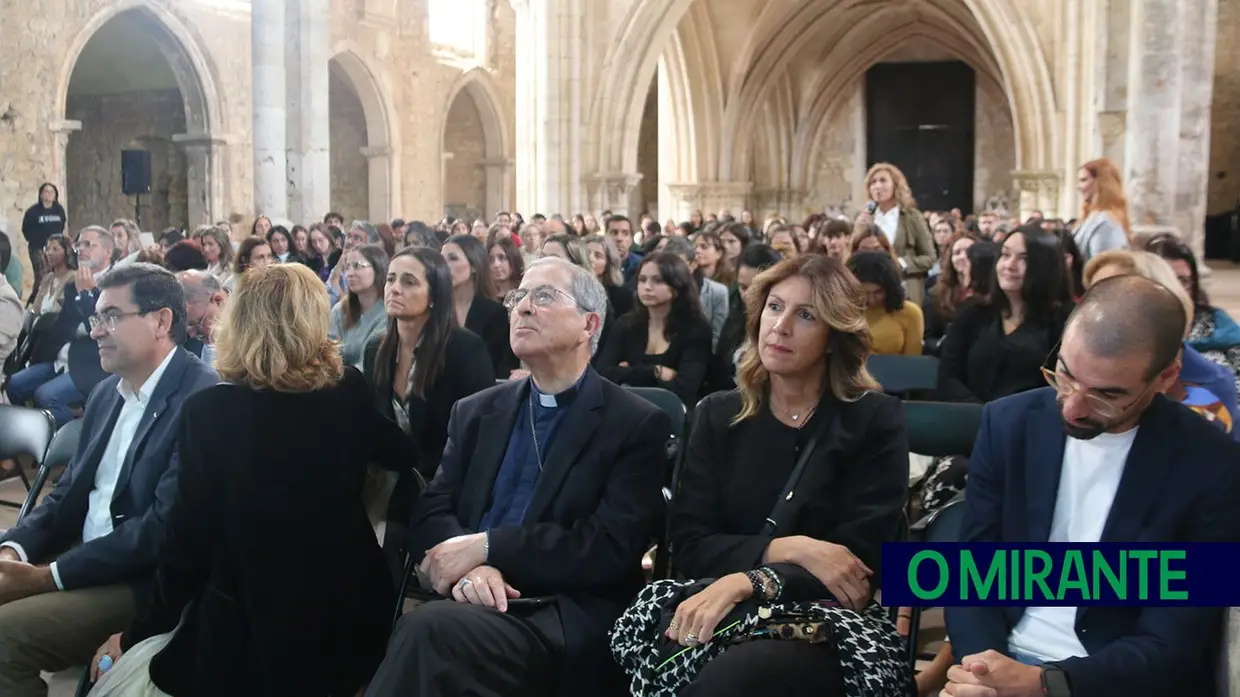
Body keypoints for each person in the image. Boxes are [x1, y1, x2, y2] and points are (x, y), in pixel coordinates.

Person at [86, 264, 419, 697]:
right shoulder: (346, 388)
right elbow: (402, 454)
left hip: (251, 633)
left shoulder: (209, 413)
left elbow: (186, 547)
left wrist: (137, 634)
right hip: (351, 614)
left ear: (238, 321)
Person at [364, 256, 671, 697]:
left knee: (429, 634)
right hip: (471, 597)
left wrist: (488, 548)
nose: (523, 307)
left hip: (559, 611)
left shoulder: (633, 423)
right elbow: (432, 508)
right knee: (436, 641)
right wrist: (471, 569)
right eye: (518, 296)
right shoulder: (477, 411)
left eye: (544, 296)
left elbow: (608, 547)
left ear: (589, 324)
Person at [612, 253, 911, 697]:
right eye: (774, 307)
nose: (781, 326)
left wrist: (750, 578)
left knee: (738, 679)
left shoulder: (873, 420)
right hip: (716, 611)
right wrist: (790, 548)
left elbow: (858, 567)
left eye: (805, 315)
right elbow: (690, 546)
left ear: (834, 335)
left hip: (827, 627)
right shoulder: (718, 414)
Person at [944, 275, 1240, 697]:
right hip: (1001, 661)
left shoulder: (1213, 465)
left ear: (1165, 377)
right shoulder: (1007, 424)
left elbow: (1175, 640)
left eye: (1106, 395)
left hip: (1113, 680)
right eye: (1064, 375)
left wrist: (1046, 684)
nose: (1073, 406)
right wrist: (981, 672)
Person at [0, 264, 217, 697]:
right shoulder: (107, 393)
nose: (96, 331)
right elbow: (66, 495)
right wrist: (13, 548)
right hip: (83, 558)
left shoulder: (201, 399)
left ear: (161, 321)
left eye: (112, 316)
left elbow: (161, 530)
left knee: (5, 638)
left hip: (139, 582)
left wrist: (47, 576)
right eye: (97, 317)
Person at [852, 163, 936, 304]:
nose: (877, 186)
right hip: (870, 293)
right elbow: (851, 256)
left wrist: (901, 263)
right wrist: (857, 230)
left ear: (895, 185)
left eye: (883, 180)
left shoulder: (912, 216)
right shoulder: (865, 217)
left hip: (905, 290)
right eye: (873, 182)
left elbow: (929, 257)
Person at [1072, 158, 1130, 263]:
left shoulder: (1106, 222)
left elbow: (1103, 267)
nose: (1078, 187)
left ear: (1101, 182)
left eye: (1083, 180)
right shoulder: (1091, 217)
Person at [21, 182, 67, 288]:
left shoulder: (59, 210)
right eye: (46, 191)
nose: (49, 194)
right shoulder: (33, 211)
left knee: (56, 274)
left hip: (55, 248)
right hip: (38, 248)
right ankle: (35, 300)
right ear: (41, 194)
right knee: (42, 276)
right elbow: (26, 229)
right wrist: (36, 242)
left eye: (52, 192)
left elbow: (62, 225)